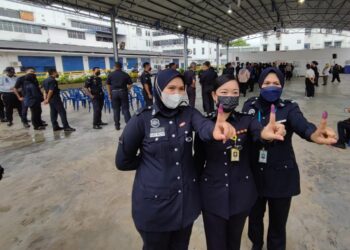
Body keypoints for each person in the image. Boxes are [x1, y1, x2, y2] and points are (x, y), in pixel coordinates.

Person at [115, 69, 236, 250]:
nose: (177, 93)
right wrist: (150, 163)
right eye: (171, 88)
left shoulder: (189, 113)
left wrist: (214, 129)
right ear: (159, 88)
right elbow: (123, 161)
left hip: (185, 205)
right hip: (154, 208)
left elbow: (203, 125)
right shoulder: (142, 120)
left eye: (181, 88)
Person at [242, 67, 337, 250]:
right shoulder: (250, 105)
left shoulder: (289, 107)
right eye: (267, 83)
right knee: (254, 218)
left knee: (278, 223)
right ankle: (256, 244)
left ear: (282, 85)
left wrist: (313, 134)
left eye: (276, 83)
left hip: (282, 177)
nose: (271, 86)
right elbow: (247, 132)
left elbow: (302, 125)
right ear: (260, 84)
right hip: (254, 175)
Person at [194, 74, 286, 250]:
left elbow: (258, 133)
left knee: (234, 244)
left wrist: (266, 135)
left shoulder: (247, 120)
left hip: (241, 195)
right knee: (215, 245)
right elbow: (197, 162)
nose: (230, 96)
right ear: (214, 95)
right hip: (212, 196)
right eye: (224, 92)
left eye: (235, 92)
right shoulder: (205, 124)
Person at [106, 62, 132, 130]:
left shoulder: (110, 74)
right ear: (121, 67)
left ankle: (117, 126)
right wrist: (127, 90)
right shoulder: (125, 74)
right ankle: (129, 125)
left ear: (115, 67)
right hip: (123, 92)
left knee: (116, 110)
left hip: (114, 93)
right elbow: (130, 84)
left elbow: (108, 85)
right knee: (125, 109)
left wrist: (109, 94)